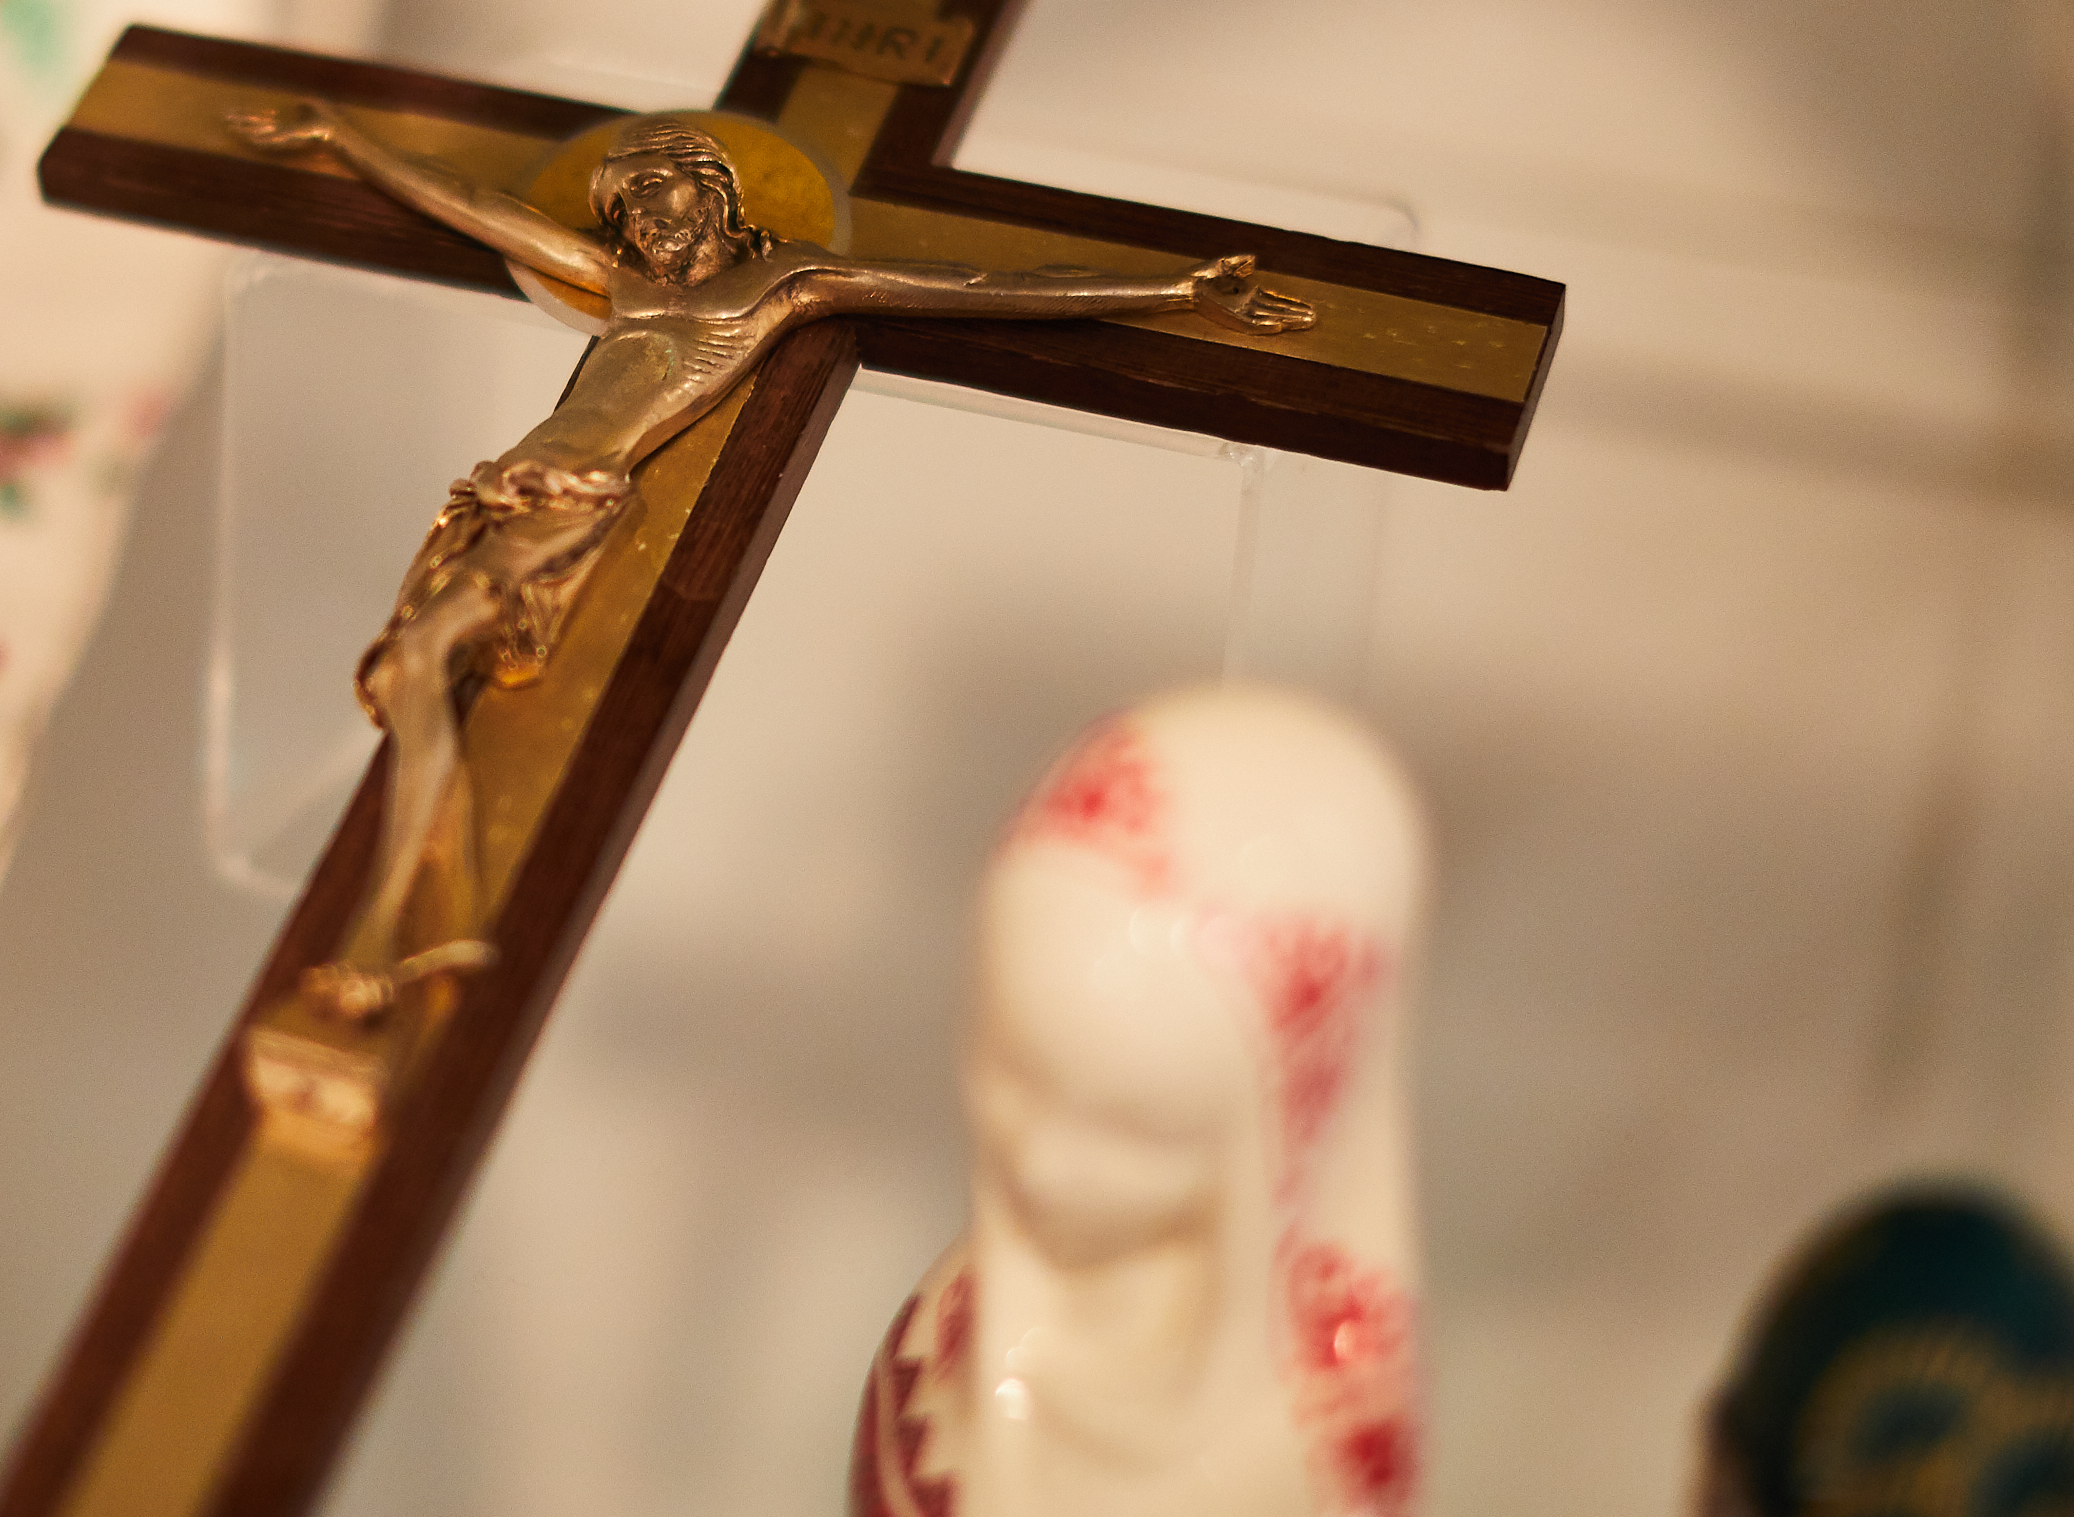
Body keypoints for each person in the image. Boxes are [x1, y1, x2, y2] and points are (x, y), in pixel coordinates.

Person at [228, 99, 1319, 1018]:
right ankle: (417, 923)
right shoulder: (625, 287)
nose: (648, 216)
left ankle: (393, 930)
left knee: (426, 667)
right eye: (628, 202)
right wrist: (340, 139)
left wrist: (1172, 292)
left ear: (719, 194)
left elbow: (975, 287)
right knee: (416, 671)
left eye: (666, 189)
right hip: (495, 489)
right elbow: (477, 207)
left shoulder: (777, 284)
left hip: (567, 505)